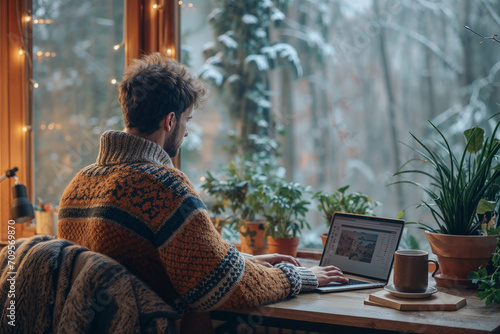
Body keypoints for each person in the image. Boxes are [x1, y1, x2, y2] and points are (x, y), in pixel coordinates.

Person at [58, 52, 347, 329]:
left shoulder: (77, 186)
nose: (186, 131)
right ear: (170, 121)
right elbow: (224, 286)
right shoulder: (163, 188)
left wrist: (247, 259)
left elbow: (154, 260)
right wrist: (300, 276)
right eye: (187, 120)